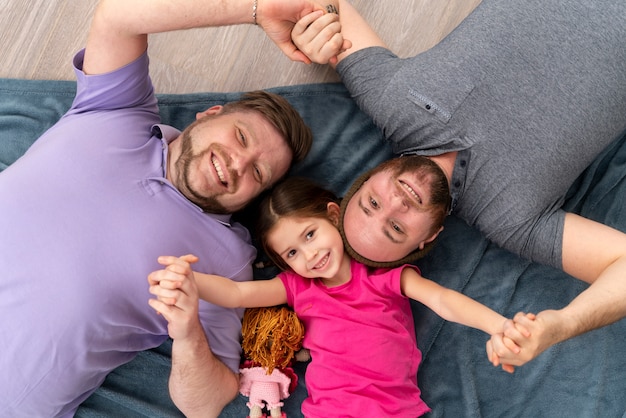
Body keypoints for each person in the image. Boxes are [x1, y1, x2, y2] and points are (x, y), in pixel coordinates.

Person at [0, 0, 354, 416]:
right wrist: (261, 10)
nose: (237, 164)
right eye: (240, 137)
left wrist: (187, 334)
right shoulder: (117, 110)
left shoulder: (225, 260)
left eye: (257, 172)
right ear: (209, 114)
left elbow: (204, 406)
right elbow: (118, 16)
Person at [289, 0, 626, 368]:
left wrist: (314, 30)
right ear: (428, 238)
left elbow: (325, 7)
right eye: (396, 228)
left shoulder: (390, 101)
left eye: (373, 203)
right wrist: (562, 323)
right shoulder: (511, 221)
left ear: (373, 175)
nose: (396, 204)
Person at [148, 177, 523, 417]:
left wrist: (499, 326)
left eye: (310, 235)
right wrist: (190, 281)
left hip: (394, 410)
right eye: (292, 253)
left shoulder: (383, 275)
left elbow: (442, 300)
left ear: (333, 214)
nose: (309, 255)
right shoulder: (298, 288)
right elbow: (235, 292)